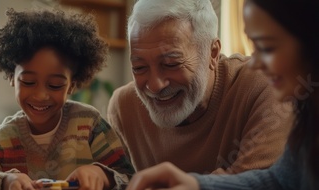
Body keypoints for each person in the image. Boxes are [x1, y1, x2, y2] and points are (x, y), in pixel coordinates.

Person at [120, 0, 319, 190]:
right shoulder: (307, 106)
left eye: (268, 47)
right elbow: (282, 187)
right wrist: (197, 189)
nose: (257, 63)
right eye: (254, 45)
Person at [0, 8, 134, 190]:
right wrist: (4, 183)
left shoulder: (89, 125)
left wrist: (104, 177)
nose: (40, 95)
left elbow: (130, 180)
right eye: (28, 82)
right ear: (11, 78)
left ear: (72, 85)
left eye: (55, 85)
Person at [107, 0, 293, 175]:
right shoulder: (124, 107)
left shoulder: (265, 86)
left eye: (171, 64)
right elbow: (117, 189)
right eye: (139, 68)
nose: (155, 86)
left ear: (212, 53)